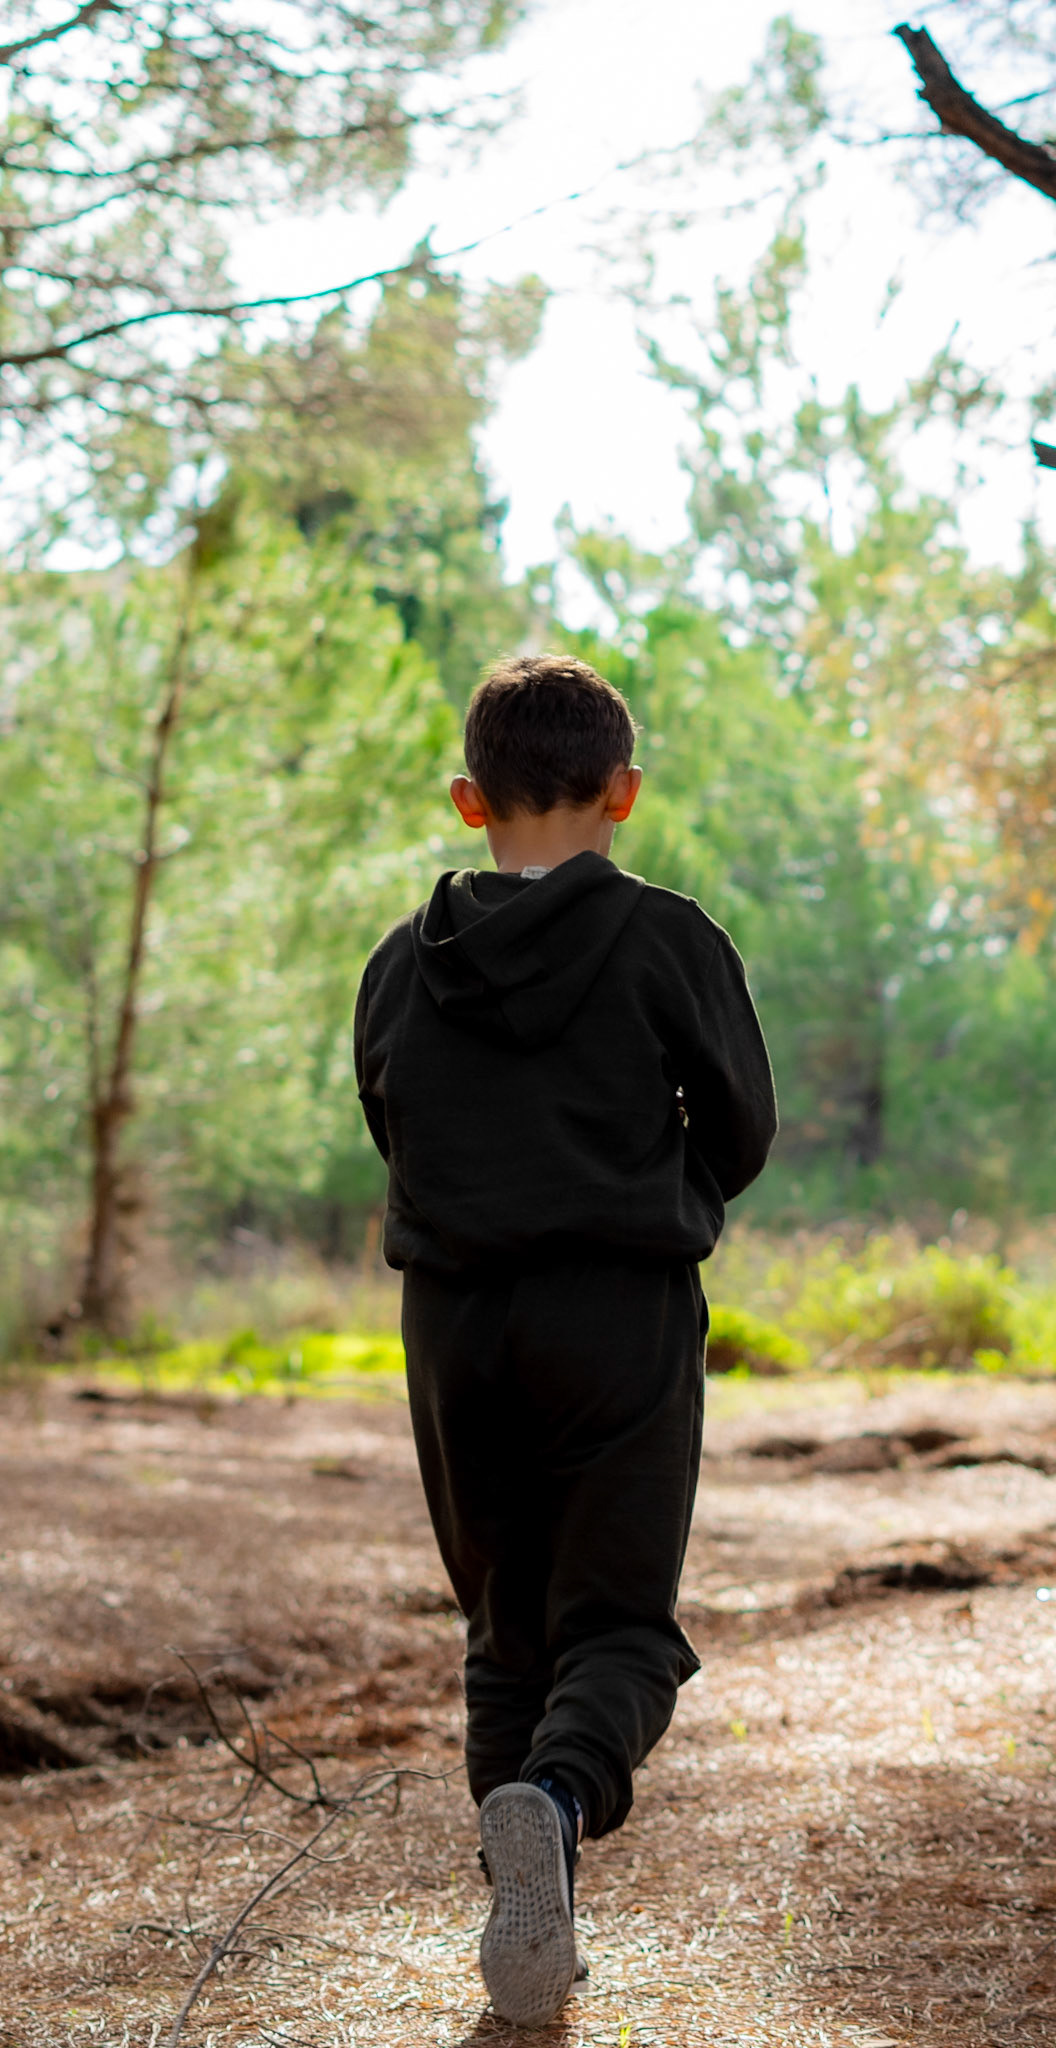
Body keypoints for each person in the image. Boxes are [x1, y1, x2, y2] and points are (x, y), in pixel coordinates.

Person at [353, 654, 777, 2026]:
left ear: (471, 801)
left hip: (452, 1323)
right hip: (616, 1310)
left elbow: (392, 1121)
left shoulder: (398, 966)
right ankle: (553, 1799)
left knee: (505, 1626)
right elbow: (743, 1131)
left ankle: (523, 1925)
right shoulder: (666, 939)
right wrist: (650, 1201)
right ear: (624, 795)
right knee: (619, 1627)